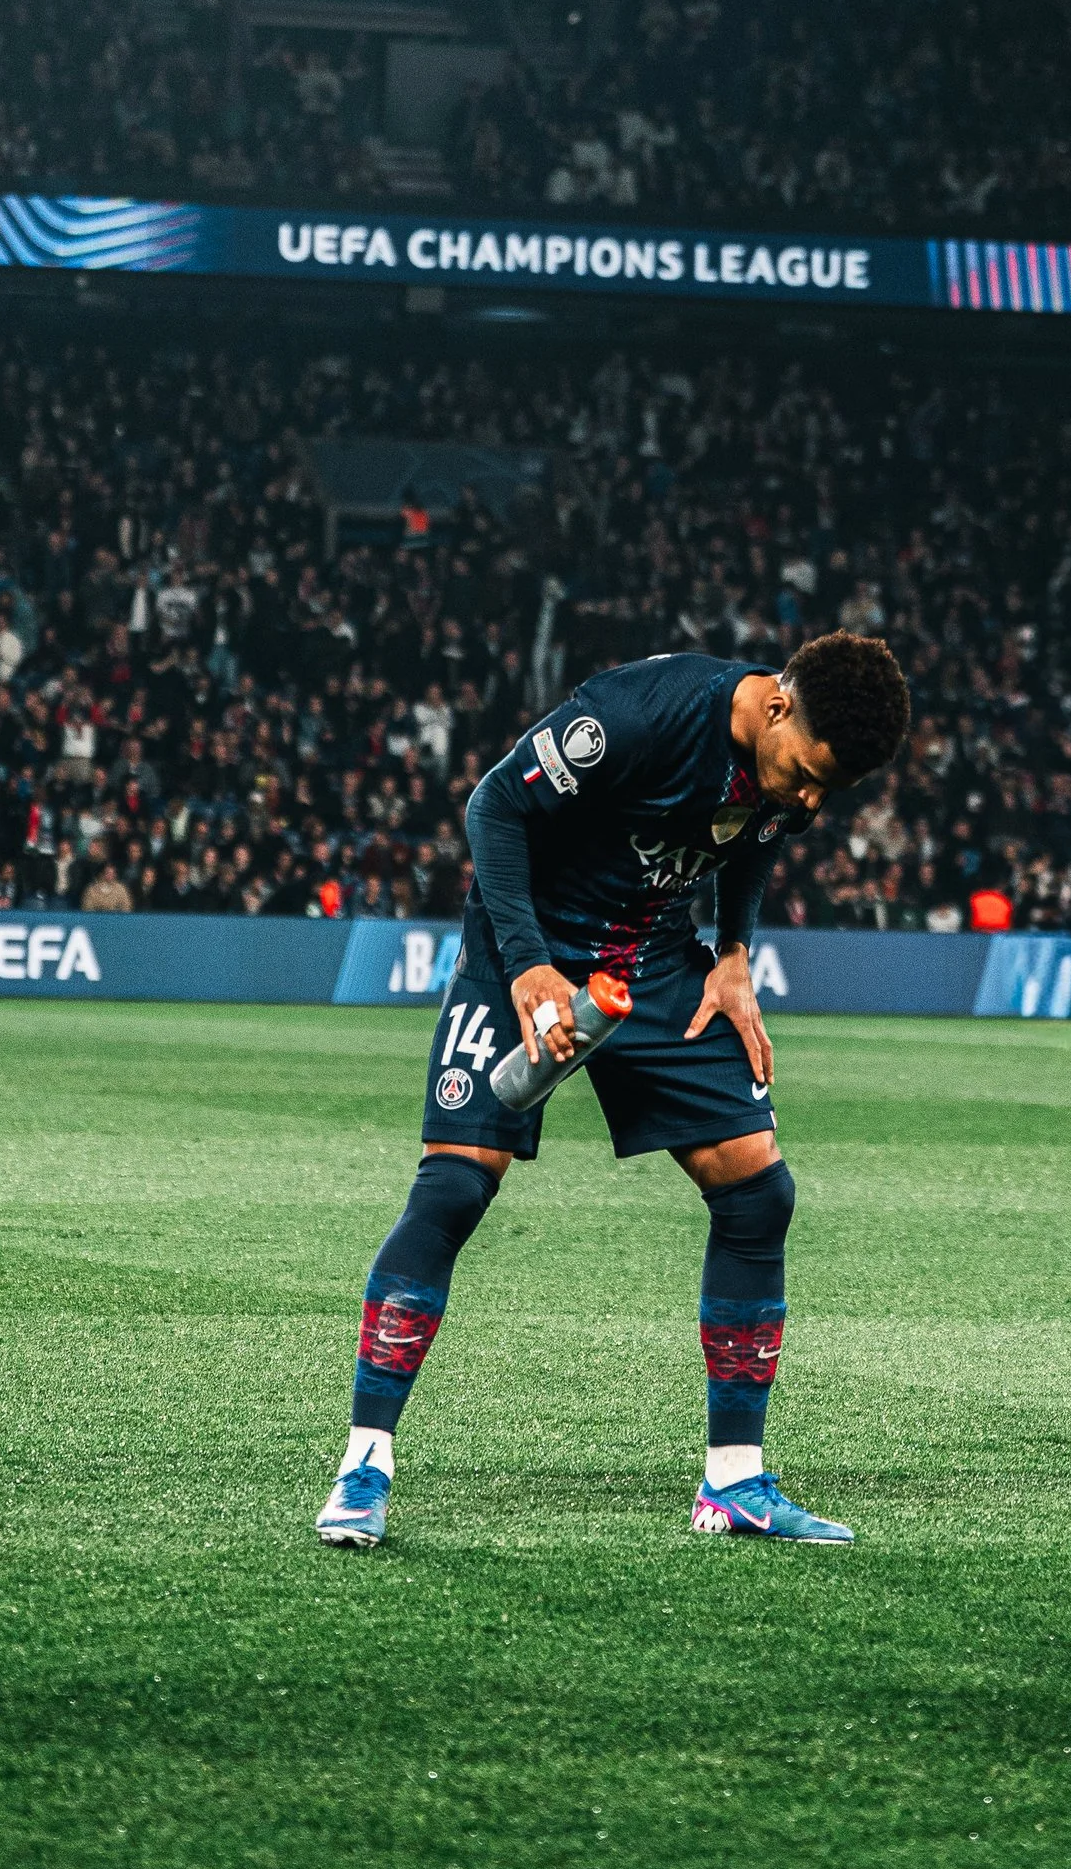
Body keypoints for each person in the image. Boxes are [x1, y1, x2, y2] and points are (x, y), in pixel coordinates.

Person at [316, 630, 911, 1552]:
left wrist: (734, 951)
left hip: (651, 960)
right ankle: (364, 1466)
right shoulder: (640, 716)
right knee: (456, 1185)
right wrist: (527, 965)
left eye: (828, 790)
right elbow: (494, 806)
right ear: (777, 706)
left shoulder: (785, 765)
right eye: (807, 774)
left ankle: (734, 1482)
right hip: (526, 948)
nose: (810, 801)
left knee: (758, 1192)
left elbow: (758, 831)